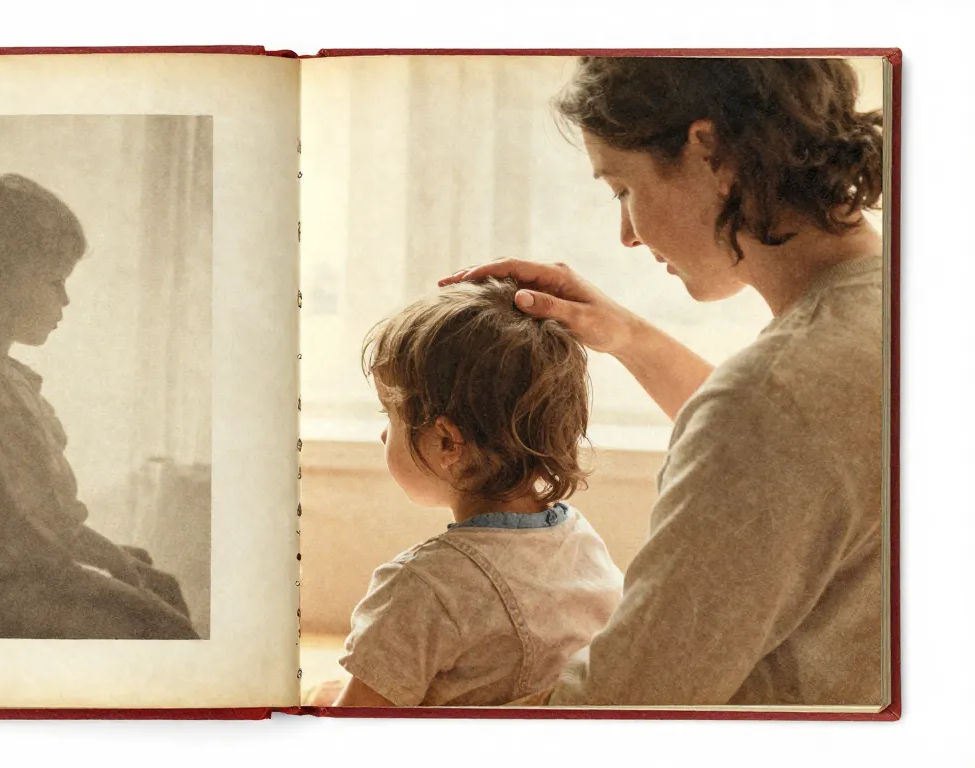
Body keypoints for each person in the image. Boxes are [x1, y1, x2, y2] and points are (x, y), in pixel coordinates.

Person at [444, 58, 886, 705]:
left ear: (710, 152)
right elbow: (802, 459)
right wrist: (628, 336)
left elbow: (626, 703)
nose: (626, 235)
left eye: (622, 189)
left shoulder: (773, 400)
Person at [0, 173, 198, 640]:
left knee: (152, 578)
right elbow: (38, 527)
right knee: (162, 624)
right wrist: (112, 565)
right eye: (55, 281)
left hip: (0, 570)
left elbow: (41, 518)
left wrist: (117, 561)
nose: (65, 299)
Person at [332, 278, 624, 707]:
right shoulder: (579, 540)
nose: (382, 435)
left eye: (389, 416)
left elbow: (351, 731)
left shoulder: (422, 588)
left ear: (447, 443)